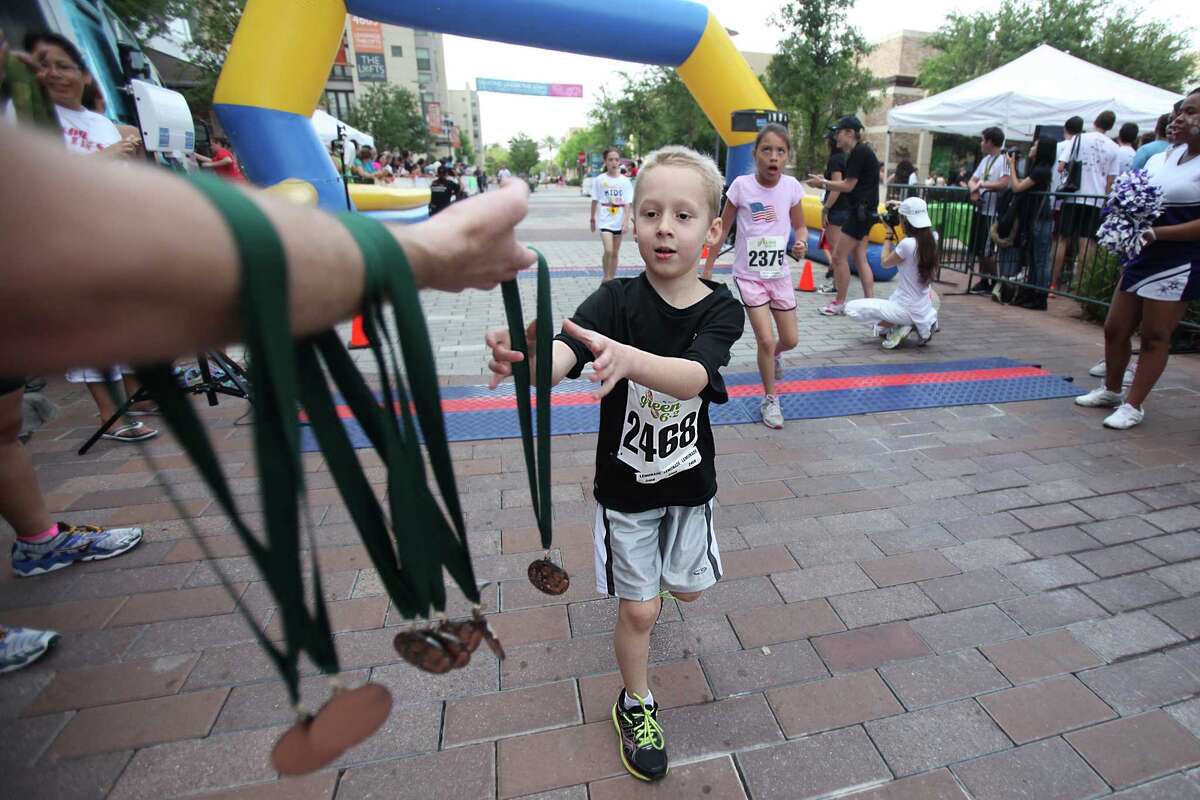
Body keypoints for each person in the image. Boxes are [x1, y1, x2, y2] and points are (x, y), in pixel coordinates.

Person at [485, 145, 744, 783]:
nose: (664, 227)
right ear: (630, 221)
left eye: (683, 215)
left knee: (687, 588)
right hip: (626, 493)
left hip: (690, 486)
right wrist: (525, 365)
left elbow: (692, 377)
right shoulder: (613, 299)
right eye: (650, 212)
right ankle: (636, 702)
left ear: (712, 230)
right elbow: (563, 356)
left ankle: (660, 586)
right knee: (642, 611)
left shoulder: (721, 308)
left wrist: (629, 360)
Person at [24, 31, 160, 443]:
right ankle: (109, 413)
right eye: (43, 65)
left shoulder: (99, 122)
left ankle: (136, 397)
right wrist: (109, 155)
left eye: (63, 66)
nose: (53, 74)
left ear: (84, 75)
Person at [1073, 88, 1200, 430]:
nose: (1180, 118)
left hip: (1178, 258)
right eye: (1180, 111)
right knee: (1116, 327)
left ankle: (1134, 404)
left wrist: (1160, 233)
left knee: (1156, 335)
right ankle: (1112, 390)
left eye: (1191, 112)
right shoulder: (1163, 157)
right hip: (1141, 253)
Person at [701, 123, 807, 429]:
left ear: (787, 157)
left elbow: (800, 226)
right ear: (756, 154)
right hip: (749, 276)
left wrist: (800, 241)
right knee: (765, 338)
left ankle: (774, 356)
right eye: (767, 150)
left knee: (789, 340)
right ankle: (771, 400)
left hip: (779, 274)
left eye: (780, 151)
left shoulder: (791, 188)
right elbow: (722, 228)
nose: (773, 157)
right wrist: (707, 270)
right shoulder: (741, 187)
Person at [806, 115, 879, 316]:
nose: (835, 136)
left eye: (838, 132)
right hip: (864, 212)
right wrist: (824, 180)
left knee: (838, 257)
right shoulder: (862, 152)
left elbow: (847, 186)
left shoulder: (858, 152)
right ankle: (870, 303)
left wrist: (822, 184)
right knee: (859, 257)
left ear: (849, 133)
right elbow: (849, 183)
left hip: (859, 214)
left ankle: (839, 302)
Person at [844, 197, 939, 349]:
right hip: (922, 306)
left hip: (905, 309)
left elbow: (884, 263)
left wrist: (888, 233)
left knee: (851, 308)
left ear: (905, 220)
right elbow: (915, 210)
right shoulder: (933, 238)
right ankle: (918, 322)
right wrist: (899, 206)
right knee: (882, 328)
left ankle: (903, 325)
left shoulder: (907, 244)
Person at [1052, 111, 1119, 293]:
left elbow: (1061, 166)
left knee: (1062, 239)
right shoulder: (1114, 147)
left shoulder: (1079, 139)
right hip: (1095, 199)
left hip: (1073, 194)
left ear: (1095, 120)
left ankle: (1052, 283)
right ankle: (1080, 286)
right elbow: (1111, 181)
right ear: (1111, 126)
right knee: (1087, 242)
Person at [1006, 135, 1057, 310]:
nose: (1032, 149)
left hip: (1041, 219)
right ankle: (1032, 292)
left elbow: (1017, 187)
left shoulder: (1041, 171)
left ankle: (1040, 297)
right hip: (1036, 218)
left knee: (1040, 260)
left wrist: (1012, 166)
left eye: (1035, 146)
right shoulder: (1038, 169)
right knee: (1035, 259)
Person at [964, 127, 1011, 295]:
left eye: (983, 140)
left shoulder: (1004, 159)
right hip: (981, 209)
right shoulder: (986, 160)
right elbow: (973, 180)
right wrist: (974, 190)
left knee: (987, 250)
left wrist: (982, 185)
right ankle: (984, 279)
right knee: (978, 248)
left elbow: (1004, 182)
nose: (981, 143)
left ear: (990, 141)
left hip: (993, 212)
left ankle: (996, 281)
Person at [590, 147, 634, 282]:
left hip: (619, 218)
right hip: (605, 218)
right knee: (608, 250)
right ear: (605, 162)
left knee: (615, 252)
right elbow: (594, 199)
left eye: (616, 159)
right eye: (610, 160)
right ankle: (606, 276)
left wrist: (625, 222)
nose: (614, 162)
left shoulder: (625, 181)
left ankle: (611, 278)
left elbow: (627, 203)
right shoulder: (599, 180)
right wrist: (592, 218)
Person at [817, 131, 849, 293]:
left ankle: (837, 287)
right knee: (839, 252)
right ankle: (838, 285)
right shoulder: (846, 158)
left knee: (836, 252)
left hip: (837, 209)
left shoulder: (835, 160)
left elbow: (836, 186)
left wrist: (826, 208)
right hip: (847, 208)